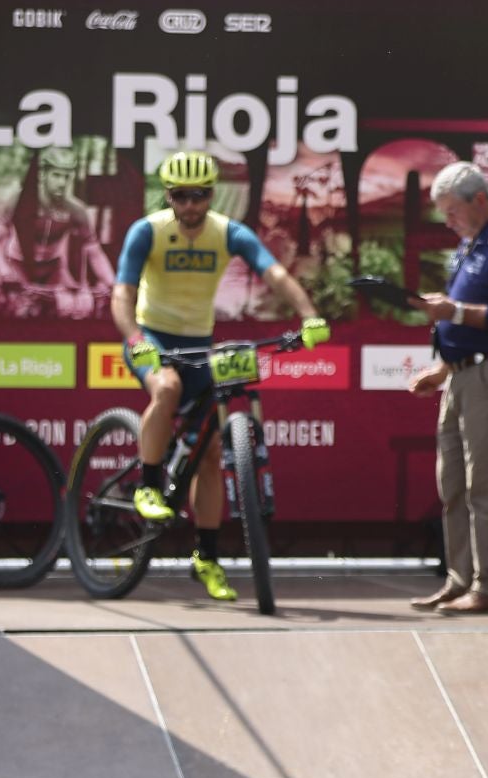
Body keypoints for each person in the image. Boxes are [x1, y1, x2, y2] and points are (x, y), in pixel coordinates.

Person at [111, 149, 329, 603]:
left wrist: (309, 314)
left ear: (212, 194)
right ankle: (148, 486)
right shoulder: (147, 231)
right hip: (152, 337)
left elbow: (275, 273)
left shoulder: (228, 232)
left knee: (211, 452)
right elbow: (122, 294)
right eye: (181, 196)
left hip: (198, 342)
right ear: (168, 195)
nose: (190, 205)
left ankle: (206, 558)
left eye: (200, 196)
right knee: (166, 387)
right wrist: (135, 337)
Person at [406, 160, 488, 616]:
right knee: (454, 486)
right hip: (461, 376)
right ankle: (460, 580)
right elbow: (463, 319)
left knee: (485, 483)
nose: (447, 221)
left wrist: (455, 312)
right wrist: (442, 371)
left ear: (479, 199)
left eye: (452, 211)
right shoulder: (469, 245)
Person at [0, 145, 116, 321]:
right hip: (20, 266)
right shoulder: (20, 200)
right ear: (42, 174)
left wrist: (114, 284)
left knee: (67, 315)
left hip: (53, 269)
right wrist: (4, 272)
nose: (62, 182)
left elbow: (94, 251)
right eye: (56, 175)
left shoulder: (76, 210)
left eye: (66, 176)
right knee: (19, 314)